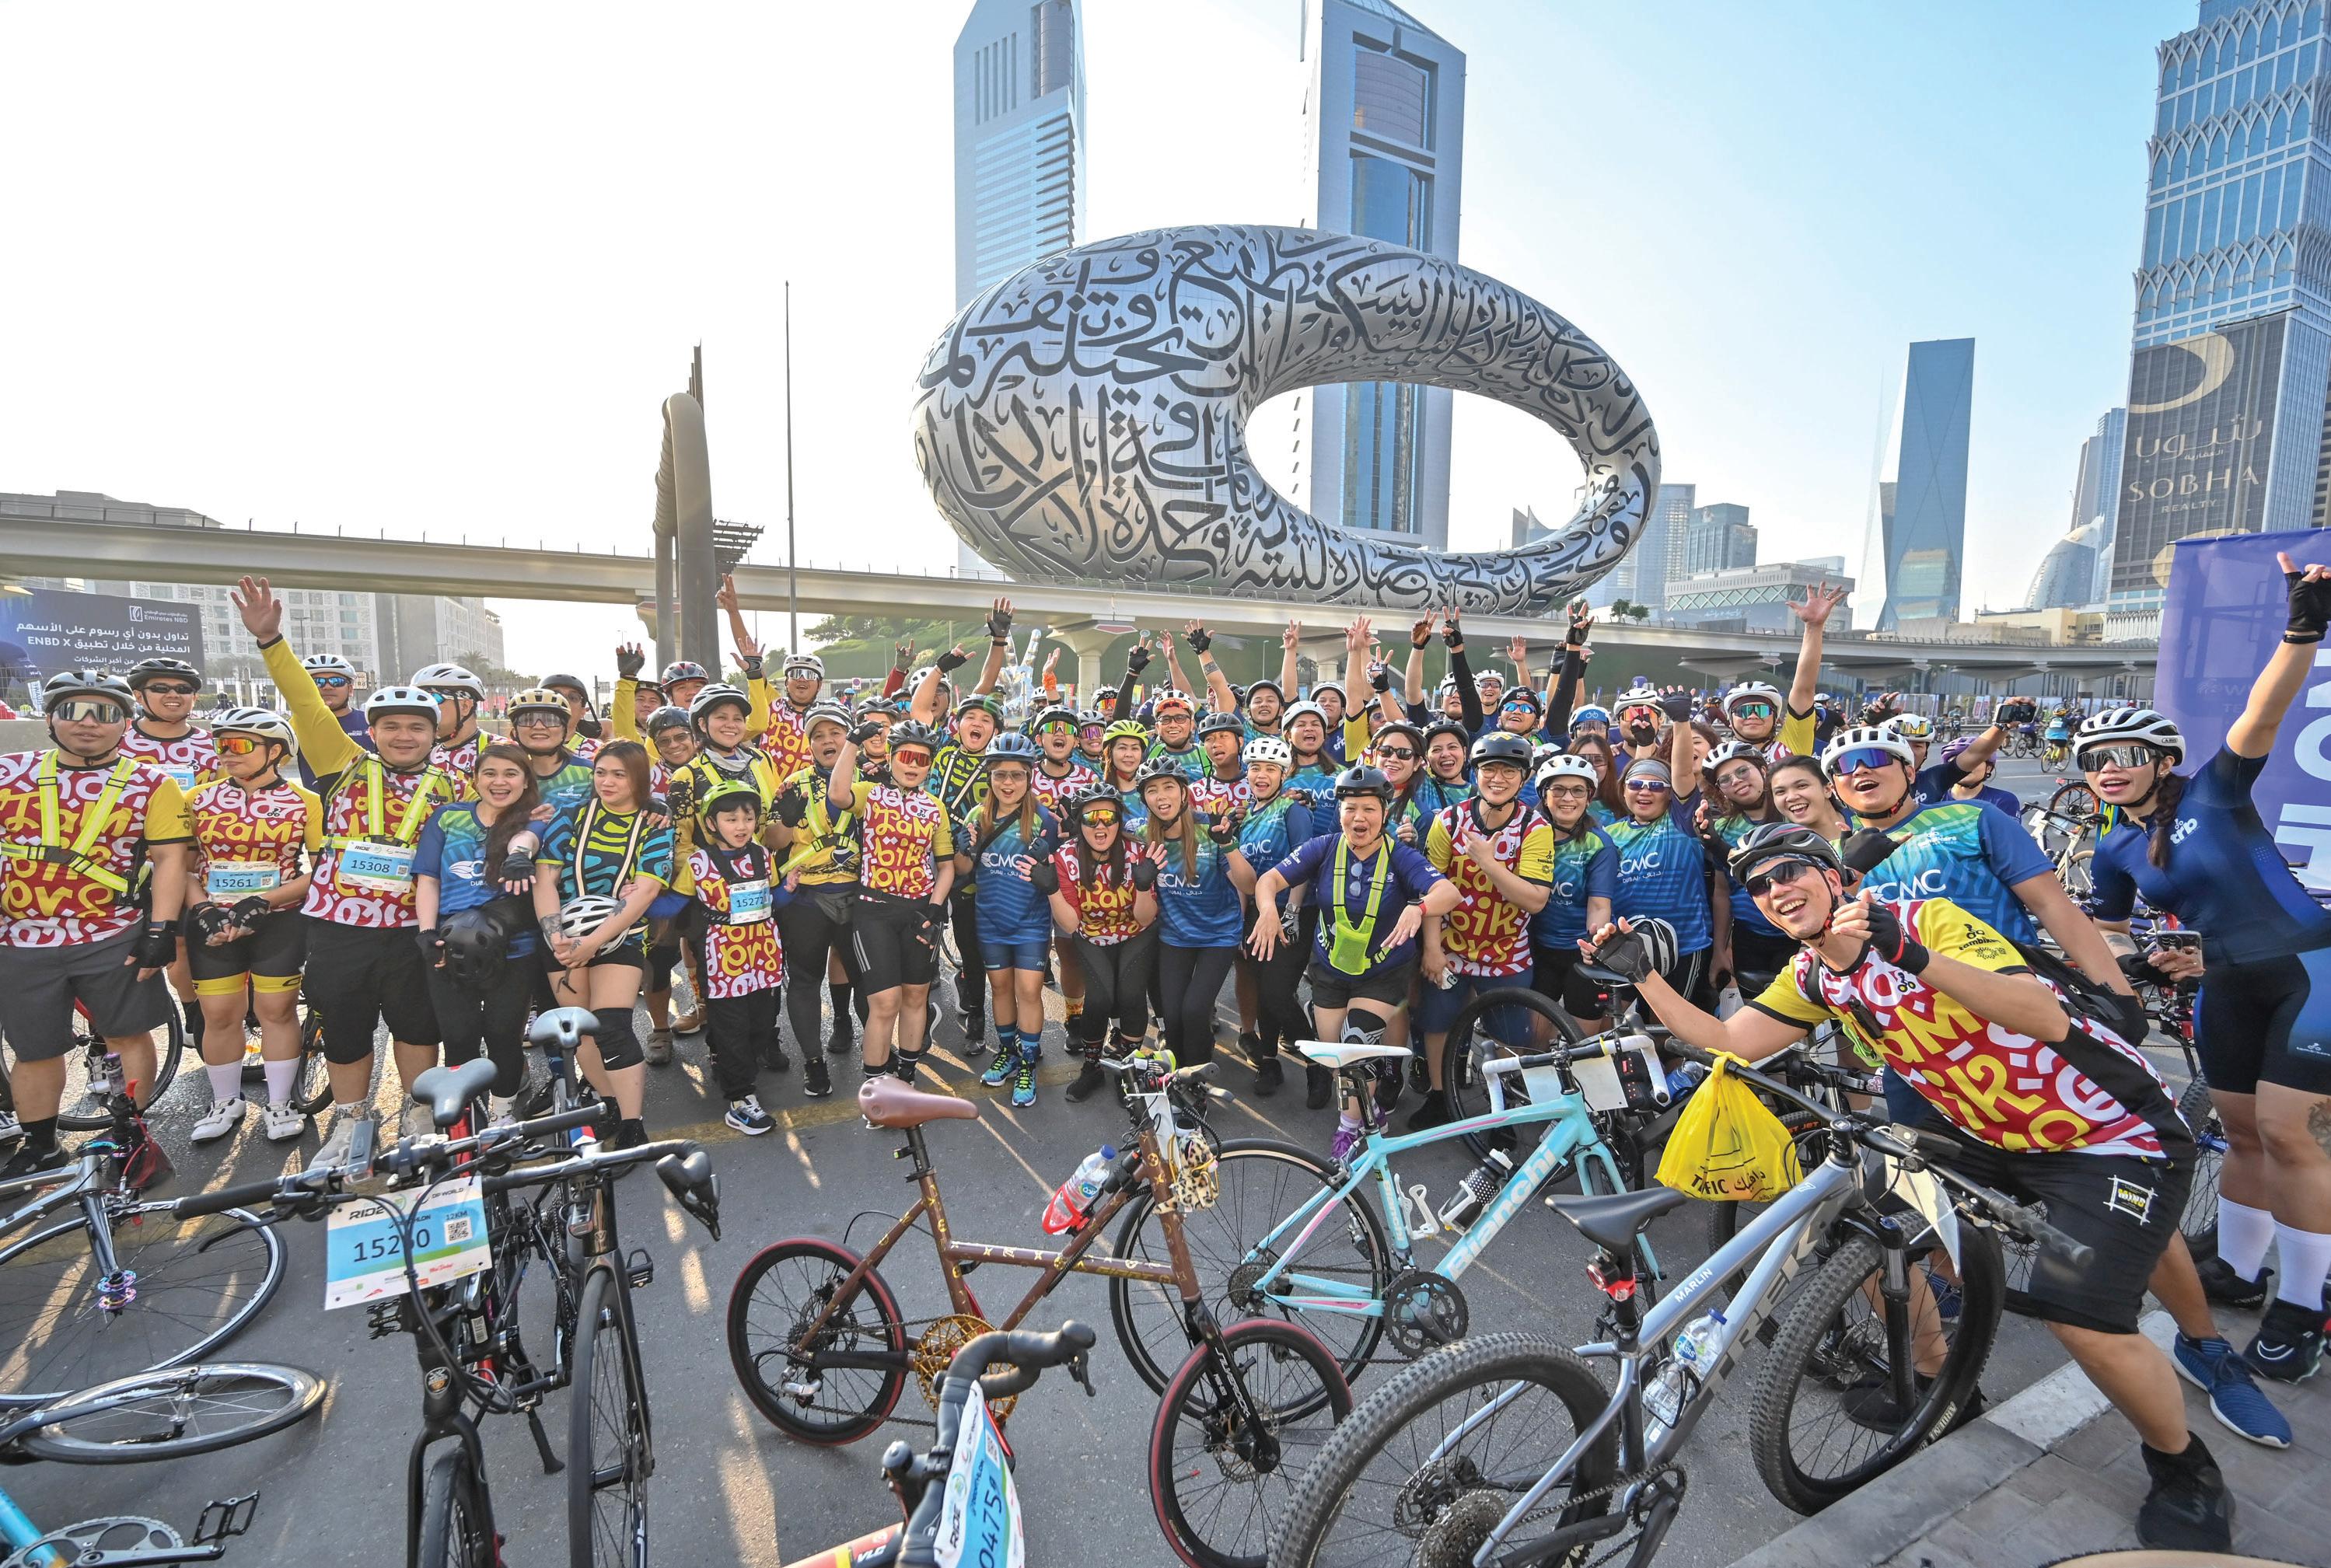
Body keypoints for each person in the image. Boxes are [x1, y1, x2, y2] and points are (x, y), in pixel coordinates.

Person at [1588, 829, 2231, 1553]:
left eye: (1791, 870)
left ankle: (2184, 1465)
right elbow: (1731, 1040)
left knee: (2081, 1318)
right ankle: (1941, 1386)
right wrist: (1643, 977)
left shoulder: (1924, 919)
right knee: (1862, 1225)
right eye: (1760, 885)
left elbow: (2043, 1015)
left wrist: (1908, 953)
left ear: (1836, 877)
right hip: (1986, 1133)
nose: (1775, 890)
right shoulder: (1813, 974)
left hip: (2106, 1131)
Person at [2083, 554, 2331, 1381]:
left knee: (2292, 1134)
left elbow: (2265, 708)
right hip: (2225, 982)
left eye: (2124, 751)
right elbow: (2109, 927)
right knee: (2241, 1133)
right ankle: (2239, 1264)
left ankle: (2304, 1305)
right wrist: (2141, 965)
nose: (2107, 766)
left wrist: (2302, 628)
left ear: (2162, 759)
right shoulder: (2113, 845)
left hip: (2308, 972)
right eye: (2093, 757)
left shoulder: (2215, 790)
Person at [241, 575, 458, 1163]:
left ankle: (417, 1113)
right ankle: (351, 1121)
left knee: (418, 1027)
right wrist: (271, 643)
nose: (404, 736)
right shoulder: (342, 762)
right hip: (340, 926)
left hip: (413, 928)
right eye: (392, 726)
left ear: (433, 735)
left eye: (417, 727)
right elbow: (306, 704)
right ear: (374, 731)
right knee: (344, 1026)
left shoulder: (453, 786)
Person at [0, 670, 190, 1181]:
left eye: (104, 713)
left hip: (112, 932)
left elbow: (171, 859)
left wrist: (161, 930)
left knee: (128, 1036)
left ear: (126, 722)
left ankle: (132, 1138)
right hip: (20, 937)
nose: (88, 723)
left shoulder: (153, 783)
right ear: (49, 718)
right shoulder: (8, 772)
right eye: (73, 711)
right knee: (34, 1049)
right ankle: (42, 1147)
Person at [1250, 764, 1459, 1138]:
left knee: (1355, 1046)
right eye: (1351, 809)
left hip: (1383, 972)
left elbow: (1449, 893)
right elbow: (1270, 879)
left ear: (1384, 813)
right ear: (1340, 812)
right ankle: (1371, 1104)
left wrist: (1420, 907)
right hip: (1331, 968)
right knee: (1337, 1061)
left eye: (1369, 809)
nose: (1359, 818)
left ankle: (1349, 1131)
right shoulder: (1325, 846)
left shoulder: (1399, 855)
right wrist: (1268, 910)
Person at [181, 707, 320, 1144]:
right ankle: (226, 1101)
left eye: (239, 745)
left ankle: (280, 1102)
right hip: (213, 920)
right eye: (220, 744)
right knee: (219, 1014)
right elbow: (180, 866)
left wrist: (264, 901)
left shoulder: (305, 801)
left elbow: (321, 869)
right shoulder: (197, 798)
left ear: (275, 751)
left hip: (278, 920)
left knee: (276, 1011)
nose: (227, 753)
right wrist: (203, 909)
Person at [532, 741, 674, 1148]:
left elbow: (645, 891)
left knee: (611, 1025)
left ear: (639, 779)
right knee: (580, 1029)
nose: (607, 782)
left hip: (619, 937)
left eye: (619, 775)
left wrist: (593, 943)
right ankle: (608, 1102)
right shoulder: (571, 814)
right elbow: (546, 879)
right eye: (601, 773)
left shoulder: (655, 822)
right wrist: (556, 937)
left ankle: (632, 1123)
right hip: (563, 938)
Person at [1411, 734, 1555, 1129]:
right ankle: (1440, 1097)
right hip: (1451, 948)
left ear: (1524, 778)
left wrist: (1489, 863)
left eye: (1509, 771)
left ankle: (1502, 1111)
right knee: (1437, 1026)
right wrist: (1432, 948)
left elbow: (1535, 900)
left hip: (1506, 953)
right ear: (1475, 772)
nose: (1498, 778)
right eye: (1490, 769)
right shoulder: (1448, 821)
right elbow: (1431, 889)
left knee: (1507, 1037)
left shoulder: (1535, 828)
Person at [413, 743, 543, 1123]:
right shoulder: (448, 817)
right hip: (450, 945)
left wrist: (519, 855)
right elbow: (428, 878)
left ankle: (503, 1113)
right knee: (458, 1036)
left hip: (513, 949)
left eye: (510, 774)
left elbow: (528, 839)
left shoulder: (534, 818)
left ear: (525, 781)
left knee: (504, 1034)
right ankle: (466, 1117)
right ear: (475, 779)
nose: (499, 782)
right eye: (490, 774)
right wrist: (426, 932)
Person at [831, 719, 954, 1082]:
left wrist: (935, 908)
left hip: (920, 912)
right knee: (885, 1003)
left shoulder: (935, 807)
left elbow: (946, 866)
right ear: (891, 757)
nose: (913, 765)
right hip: (875, 911)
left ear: (929, 766)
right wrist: (852, 741)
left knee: (916, 997)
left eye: (922, 759)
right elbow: (837, 795)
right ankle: (875, 1084)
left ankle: (907, 1074)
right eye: (905, 756)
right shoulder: (871, 794)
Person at [673, 779, 788, 1135]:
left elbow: (773, 899)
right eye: (731, 819)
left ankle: (724, 1056)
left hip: (763, 956)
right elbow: (675, 902)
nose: (741, 827)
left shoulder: (763, 856)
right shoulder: (698, 863)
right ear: (711, 823)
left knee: (762, 1022)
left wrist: (791, 889)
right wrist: (638, 899)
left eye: (748, 818)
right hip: (722, 959)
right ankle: (739, 1099)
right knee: (732, 1026)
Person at [121, 656, 217, 1049]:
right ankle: (192, 1008)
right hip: (139, 864)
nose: (172, 695)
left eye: (183, 689)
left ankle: (208, 1011)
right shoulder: (120, 741)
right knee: (171, 945)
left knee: (197, 942)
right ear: (139, 695)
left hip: (200, 860)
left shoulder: (212, 743)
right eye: (160, 688)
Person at [959, 735, 1059, 1109]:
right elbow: (964, 870)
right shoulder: (977, 817)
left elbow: (1057, 874)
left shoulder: (1044, 819)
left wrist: (1047, 861)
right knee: (1000, 989)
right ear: (989, 775)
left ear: (1029, 777)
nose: (1008, 783)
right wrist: (965, 849)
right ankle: (1008, 1053)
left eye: (1017, 775)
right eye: (1000, 774)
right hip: (990, 919)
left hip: (1031, 921)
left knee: (1029, 992)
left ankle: (1029, 1061)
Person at [1135, 758, 1253, 1068]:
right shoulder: (1141, 834)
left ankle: (1198, 1073)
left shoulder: (1209, 828)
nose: (1161, 796)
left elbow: (1248, 885)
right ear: (1144, 799)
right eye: (1152, 790)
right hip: (1175, 936)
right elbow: (1102, 831)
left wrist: (1228, 846)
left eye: (1168, 787)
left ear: (1184, 793)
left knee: (1194, 1011)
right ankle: (1179, 1075)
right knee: (1172, 1018)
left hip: (1219, 935)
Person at [768, 704, 861, 1098]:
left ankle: (867, 1047)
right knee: (805, 980)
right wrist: (787, 820)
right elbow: (773, 842)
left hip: (859, 897)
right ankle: (813, 1062)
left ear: (849, 739)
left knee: (865, 979)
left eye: (835, 733)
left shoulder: (870, 779)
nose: (827, 741)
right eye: (818, 736)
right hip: (806, 899)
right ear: (809, 745)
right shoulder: (793, 784)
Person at [1044, 786, 1159, 1102]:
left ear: (1119, 821)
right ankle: (1092, 1067)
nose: (1100, 826)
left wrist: (1144, 886)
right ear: (1079, 823)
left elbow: (1146, 918)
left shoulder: (1137, 852)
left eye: (1108, 817)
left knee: (1132, 995)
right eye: (1090, 818)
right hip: (1091, 933)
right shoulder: (1066, 857)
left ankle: (1129, 1069)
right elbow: (1071, 925)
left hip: (1136, 930)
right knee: (1099, 999)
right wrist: (1052, 890)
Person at [1232, 735, 1314, 1093]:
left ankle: (1318, 1064)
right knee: (1263, 989)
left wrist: (1292, 912)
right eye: (1255, 768)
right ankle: (1268, 1062)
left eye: (1270, 769)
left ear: (1284, 774)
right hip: (1256, 915)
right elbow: (1241, 876)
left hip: (1291, 911)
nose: (1261, 775)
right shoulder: (1246, 815)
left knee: (1278, 993)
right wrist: (1241, 921)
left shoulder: (1293, 810)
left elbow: (1304, 864)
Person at [1602, 756, 1714, 1002]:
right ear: (1623, 790)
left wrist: (1681, 729)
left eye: (1656, 786)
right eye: (1635, 784)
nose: (1645, 791)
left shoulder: (1683, 823)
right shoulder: (1608, 835)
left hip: (1684, 944)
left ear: (1670, 794)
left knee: (1668, 1021)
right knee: (1619, 1020)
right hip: (1627, 946)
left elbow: (1683, 774)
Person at [1528, 754, 1618, 1031]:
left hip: (1581, 951)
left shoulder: (1599, 844)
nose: (1568, 798)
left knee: (1583, 1042)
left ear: (1589, 798)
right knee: (1534, 1040)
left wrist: (1594, 943)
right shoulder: (1528, 835)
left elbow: (1599, 905)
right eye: (1558, 790)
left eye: (1578, 791)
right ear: (1544, 795)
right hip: (1538, 949)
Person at [1697, 742, 1796, 993]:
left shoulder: (1793, 815)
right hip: (1749, 937)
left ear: (1763, 771)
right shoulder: (1721, 829)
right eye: (1725, 780)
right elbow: (1722, 893)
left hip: (1797, 935)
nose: (1736, 781)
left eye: (1743, 771)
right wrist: (1720, 950)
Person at [412, 662, 486, 792]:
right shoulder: (425, 754)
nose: (426, 710)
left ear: (465, 706)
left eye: (434, 699)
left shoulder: (501, 748)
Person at [1769, 753, 1851, 841]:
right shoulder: (1781, 847)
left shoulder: (1861, 818)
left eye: (1801, 786)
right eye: (1780, 792)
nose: (1791, 797)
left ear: (1827, 789)